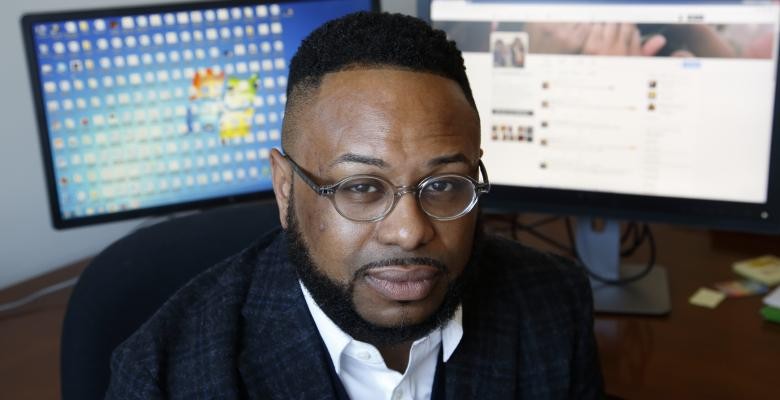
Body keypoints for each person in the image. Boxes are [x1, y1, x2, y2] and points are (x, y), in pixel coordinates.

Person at [106, 12, 604, 399]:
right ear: (285, 190)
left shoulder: (552, 301)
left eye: (444, 184)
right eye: (362, 187)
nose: (409, 232)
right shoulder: (164, 377)